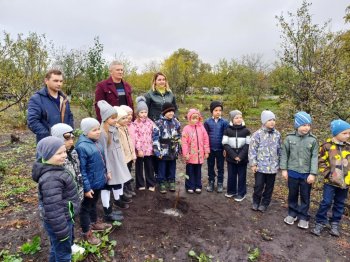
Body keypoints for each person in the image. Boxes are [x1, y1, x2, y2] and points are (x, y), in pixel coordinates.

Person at [32, 136, 80, 261]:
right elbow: (54, 209)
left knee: (56, 248)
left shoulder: (55, 169)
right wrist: (62, 232)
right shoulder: (51, 178)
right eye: (59, 153)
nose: (64, 155)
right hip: (60, 223)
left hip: (62, 219)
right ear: (47, 156)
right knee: (64, 255)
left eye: (64, 151)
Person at [75, 117, 111, 246]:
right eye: (94, 130)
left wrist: (106, 172)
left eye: (98, 129)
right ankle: (86, 232)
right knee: (85, 208)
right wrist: (86, 188)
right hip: (90, 184)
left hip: (98, 181)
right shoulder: (82, 147)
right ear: (85, 132)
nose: (98, 132)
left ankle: (94, 223)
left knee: (94, 204)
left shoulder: (96, 142)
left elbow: (102, 160)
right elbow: (82, 170)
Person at [311, 119, 350, 237]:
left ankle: (335, 222)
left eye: (349, 133)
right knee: (326, 202)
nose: (347, 136)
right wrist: (328, 174)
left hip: (345, 183)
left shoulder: (348, 147)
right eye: (344, 133)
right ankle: (320, 221)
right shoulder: (327, 146)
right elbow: (321, 162)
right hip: (331, 182)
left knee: (340, 203)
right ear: (336, 133)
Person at [51, 123, 85, 255]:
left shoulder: (73, 152)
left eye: (72, 136)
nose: (71, 140)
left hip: (75, 196)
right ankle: (67, 247)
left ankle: (71, 243)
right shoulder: (57, 160)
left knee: (71, 222)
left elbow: (78, 172)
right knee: (65, 224)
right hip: (64, 202)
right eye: (67, 138)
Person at [280, 111, 318, 229]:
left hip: (306, 174)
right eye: (303, 125)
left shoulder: (313, 140)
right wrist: (284, 169)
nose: (306, 128)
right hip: (292, 172)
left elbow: (314, 157)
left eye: (308, 125)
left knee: (305, 196)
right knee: (293, 194)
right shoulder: (289, 138)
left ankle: (303, 216)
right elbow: (284, 154)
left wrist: (313, 173)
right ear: (297, 125)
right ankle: (292, 213)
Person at [98, 100, 132, 217]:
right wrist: (108, 169)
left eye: (115, 118)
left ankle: (117, 201)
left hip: (116, 161)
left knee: (117, 182)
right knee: (106, 187)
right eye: (113, 118)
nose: (115, 120)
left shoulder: (114, 128)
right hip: (109, 164)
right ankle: (107, 210)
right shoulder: (103, 133)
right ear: (106, 118)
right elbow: (104, 153)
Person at [27, 69, 74, 143]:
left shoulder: (64, 99)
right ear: (46, 81)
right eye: (55, 81)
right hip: (47, 143)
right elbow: (32, 121)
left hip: (65, 141)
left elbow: (69, 116)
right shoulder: (37, 99)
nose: (59, 84)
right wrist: (49, 135)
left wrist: (69, 132)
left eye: (61, 81)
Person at [249, 110, 281, 212]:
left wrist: (280, 164)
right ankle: (256, 201)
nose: (272, 122)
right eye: (269, 120)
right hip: (260, 167)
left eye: (273, 120)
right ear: (264, 121)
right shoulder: (257, 134)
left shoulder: (277, 134)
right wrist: (253, 164)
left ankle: (265, 203)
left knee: (269, 187)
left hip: (272, 167)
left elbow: (280, 149)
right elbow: (252, 150)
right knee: (258, 185)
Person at [153, 102, 181, 193]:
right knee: (162, 166)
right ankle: (162, 181)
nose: (171, 113)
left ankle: (171, 180)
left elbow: (179, 136)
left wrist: (179, 148)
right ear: (164, 112)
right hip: (163, 149)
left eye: (172, 111)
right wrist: (157, 151)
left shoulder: (176, 122)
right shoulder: (158, 123)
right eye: (169, 111)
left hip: (173, 149)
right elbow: (155, 138)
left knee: (172, 165)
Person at [223, 110, 251, 201]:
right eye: (236, 118)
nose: (239, 119)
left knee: (242, 175)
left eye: (240, 117)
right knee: (231, 175)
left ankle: (241, 193)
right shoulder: (227, 130)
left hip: (243, 158)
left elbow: (248, 144)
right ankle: (231, 191)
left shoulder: (246, 131)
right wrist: (234, 155)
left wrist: (240, 156)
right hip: (231, 157)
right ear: (232, 119)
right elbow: (225, 143)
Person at [181, 109, 210, 194]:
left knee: (198, 171)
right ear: (189, 118)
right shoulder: (186, 129)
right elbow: (184, 142)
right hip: (190, 155)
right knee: (190, 171)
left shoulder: (202, 128)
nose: (195, 120)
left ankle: (198, 186)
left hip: (199, 155)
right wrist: (186, 153)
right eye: (193, 118)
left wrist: (206, 151)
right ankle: (189, 186)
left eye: (196, 118)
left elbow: (206, 139)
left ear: (199, 118)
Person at [204, 101, 229, 193]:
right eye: (216, 110)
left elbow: (226, 136)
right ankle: (211, 181)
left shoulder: (225, 122)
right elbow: (205, 136)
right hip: (210, 149)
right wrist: (206, 149)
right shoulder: (207, 122)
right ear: (212, 111)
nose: (218, 112)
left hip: (220, 149)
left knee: (220, 167)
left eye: (220, 110)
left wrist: (225, 149)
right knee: (210, 166)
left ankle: (220, 183)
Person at [133, 96, 156, 191]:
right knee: (139, 167)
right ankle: (140, 184)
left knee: (149, 167)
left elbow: (155, 133)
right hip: (140, 151)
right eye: (141, 112)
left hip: (149, 149)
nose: (143, 114)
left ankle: (150, 183)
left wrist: (155, 146)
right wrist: (139, 149)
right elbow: (136, 137)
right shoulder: (135, 124)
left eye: (145, 112)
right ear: (137, 113)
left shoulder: (150, 122)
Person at [115, 106, 137, 197]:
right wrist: (123, 158)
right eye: (124, 117)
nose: (128, 118)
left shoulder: (125, 127)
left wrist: (133, 155)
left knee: (128, 172)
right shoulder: (117, 130)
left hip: (129, 157)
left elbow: (130, 143)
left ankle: (127, 188)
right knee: (123, 175)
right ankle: (123, 191)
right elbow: (120, 146)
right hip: (123, 158)